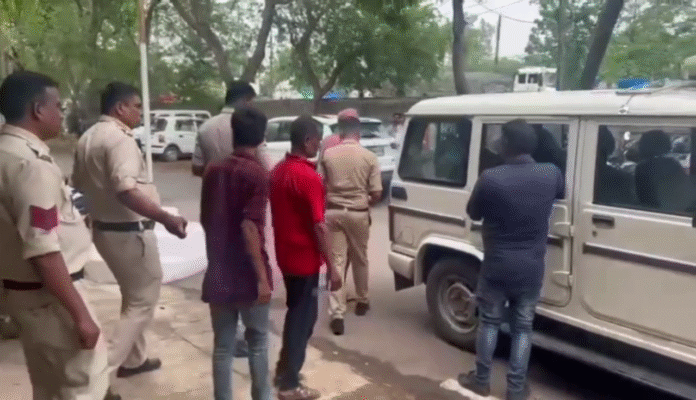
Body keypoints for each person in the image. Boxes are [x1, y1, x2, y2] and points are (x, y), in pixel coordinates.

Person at [0, 71, 119, 399]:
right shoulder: (31, 165)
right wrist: (80, 315)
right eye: (58, 106)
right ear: (38, 110)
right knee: (83, 386)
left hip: (23, 295)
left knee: (49, 387)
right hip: (51, 299)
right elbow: (43, 249)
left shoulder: (6, 152)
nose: (61, 113)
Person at [73, 82, 188, 378]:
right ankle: (98, 376)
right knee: (142, 300)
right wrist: (165, 217)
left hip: (104, 229)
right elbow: (125, 189)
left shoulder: (88, 137)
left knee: (133, 294)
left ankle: (134, 360)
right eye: (137, 106)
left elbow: (78, 188)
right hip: (129, 232)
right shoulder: (119, 139)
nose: (140, 112)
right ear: (120, 108)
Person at [458, 119, 564, 400]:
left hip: (496, 266)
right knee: (523, 328)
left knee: (490, 322)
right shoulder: (551, 173)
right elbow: (560, 193)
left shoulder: (491, 178)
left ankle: (481, 380)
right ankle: (516, 389)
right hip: (531, 267)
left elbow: (474, 213)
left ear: (505, 145)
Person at [200, 106, 273, 400]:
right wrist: (262, 279)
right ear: (262, 137)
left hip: (218, 268)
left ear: (234, 133)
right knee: (258, 342)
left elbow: (206, 218)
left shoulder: (212, 170)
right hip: (247, 273)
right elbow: (249, 227)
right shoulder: (257, 174)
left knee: (222, 347)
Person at [270, 116, 343, 400]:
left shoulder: (279, 171)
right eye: (318, 140)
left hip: (286, 257)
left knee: (296, 315)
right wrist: (333, 268)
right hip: (305, 261)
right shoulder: (308, 177)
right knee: (303, 320)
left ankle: (283, 371)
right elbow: (319, 226)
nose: (320, 145)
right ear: (307, 141)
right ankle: (289, 385)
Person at [191, 80, 258, 358]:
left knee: (218, 262)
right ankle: (245, 333)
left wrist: (215, 169)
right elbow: (261, 165)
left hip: (214, 205)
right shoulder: (248, 125)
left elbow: (196, 167)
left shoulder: (206, 128)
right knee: (246, 264)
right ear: (245, 100)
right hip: (243, 205)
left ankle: (227, 333)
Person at [319, 108, 382, 336]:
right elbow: (377, 193)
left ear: (340, 133)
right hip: (358, 213)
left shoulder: (328, 155)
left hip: (333, 212)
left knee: (337, 260)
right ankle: (362, 300)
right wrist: (365, 202)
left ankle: (337, 313)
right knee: (360, 258)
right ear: (359, 133)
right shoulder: (369, 157)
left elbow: (320, 184)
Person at [192, 81, 257, 177]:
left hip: (213, 185)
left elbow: (196, 168)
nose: (252, 107)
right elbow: (265, 166)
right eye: (251, 102)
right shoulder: (252, 127)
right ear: (244, 100)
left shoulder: (204, 127)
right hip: (244, 185)